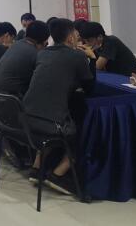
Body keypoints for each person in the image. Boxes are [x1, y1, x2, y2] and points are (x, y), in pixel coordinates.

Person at [23, 18, 96, 195]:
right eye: (76, 36)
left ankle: (37, 168)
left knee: (51, 115)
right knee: (83, 132)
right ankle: (58, 174)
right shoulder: (77, 56)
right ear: (70, 38)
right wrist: (92, 59)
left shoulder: (43, 53)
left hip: (26, 119)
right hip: (50, 126)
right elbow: (90, 88)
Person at [0, 20, 50, 97]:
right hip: (6, 99)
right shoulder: (35, 54)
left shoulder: (16, 44)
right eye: (46, 43)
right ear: (43, 41)